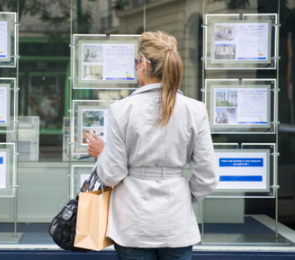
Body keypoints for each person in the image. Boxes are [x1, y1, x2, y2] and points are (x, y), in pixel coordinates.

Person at [85, 31, 218, 260]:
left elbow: (112, 175)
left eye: (136, 62)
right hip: (177, 223)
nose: (136, 67)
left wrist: (102, 154)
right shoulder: (194, 109)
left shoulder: (121, 110)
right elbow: (208, 177)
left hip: (132, 223)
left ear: (145, 64)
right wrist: (183, 195)